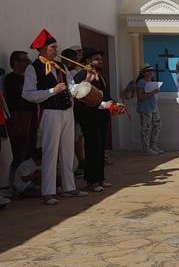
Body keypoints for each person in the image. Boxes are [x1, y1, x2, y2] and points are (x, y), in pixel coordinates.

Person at [22, 29, 88, 205]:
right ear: (43, 49)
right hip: (49, 113)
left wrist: (84, 80)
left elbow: (71, 88)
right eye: (53, 47)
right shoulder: (33, 67)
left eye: (56, 47)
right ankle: (48, 191)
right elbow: (27, 94)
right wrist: (52, 91)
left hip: (67, 112)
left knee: (68, 151)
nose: (56, 50)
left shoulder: (61, 66)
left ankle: (69, 187)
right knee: (50, 152)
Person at [72, 49, 116, 192]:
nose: (100, 60)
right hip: (89, 116)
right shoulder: (81, 76)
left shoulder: (100, 76)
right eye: (97, 58)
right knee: (92, 147)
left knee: (100, 147)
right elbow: (82, 97)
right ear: (88, 62)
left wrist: (114, 104)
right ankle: (91, 181)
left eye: (100, 58)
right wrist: (104, 105)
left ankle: (100, 178)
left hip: (101, 116)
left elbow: (105, 95)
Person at [4, 51, 39, 169]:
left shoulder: (30, 78)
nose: (28, 63)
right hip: (19, 118)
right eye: (25, 60)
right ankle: (16, 180)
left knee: (31, 149)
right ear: (16, 62)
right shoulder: (10, 79)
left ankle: (28, 179)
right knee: (20, 150)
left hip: (32, 117)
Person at [135, 64, 163, 155]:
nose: (151, 72)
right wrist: (153, 92)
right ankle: (146, 148)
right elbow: (140, 97)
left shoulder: (152, 81)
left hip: (154, 107)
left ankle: (153, 145)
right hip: (145, 108)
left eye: (151, 70)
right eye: (148, 71)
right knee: (146, 128)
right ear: (143, 73)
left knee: (157, 125)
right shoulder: (141, 82)